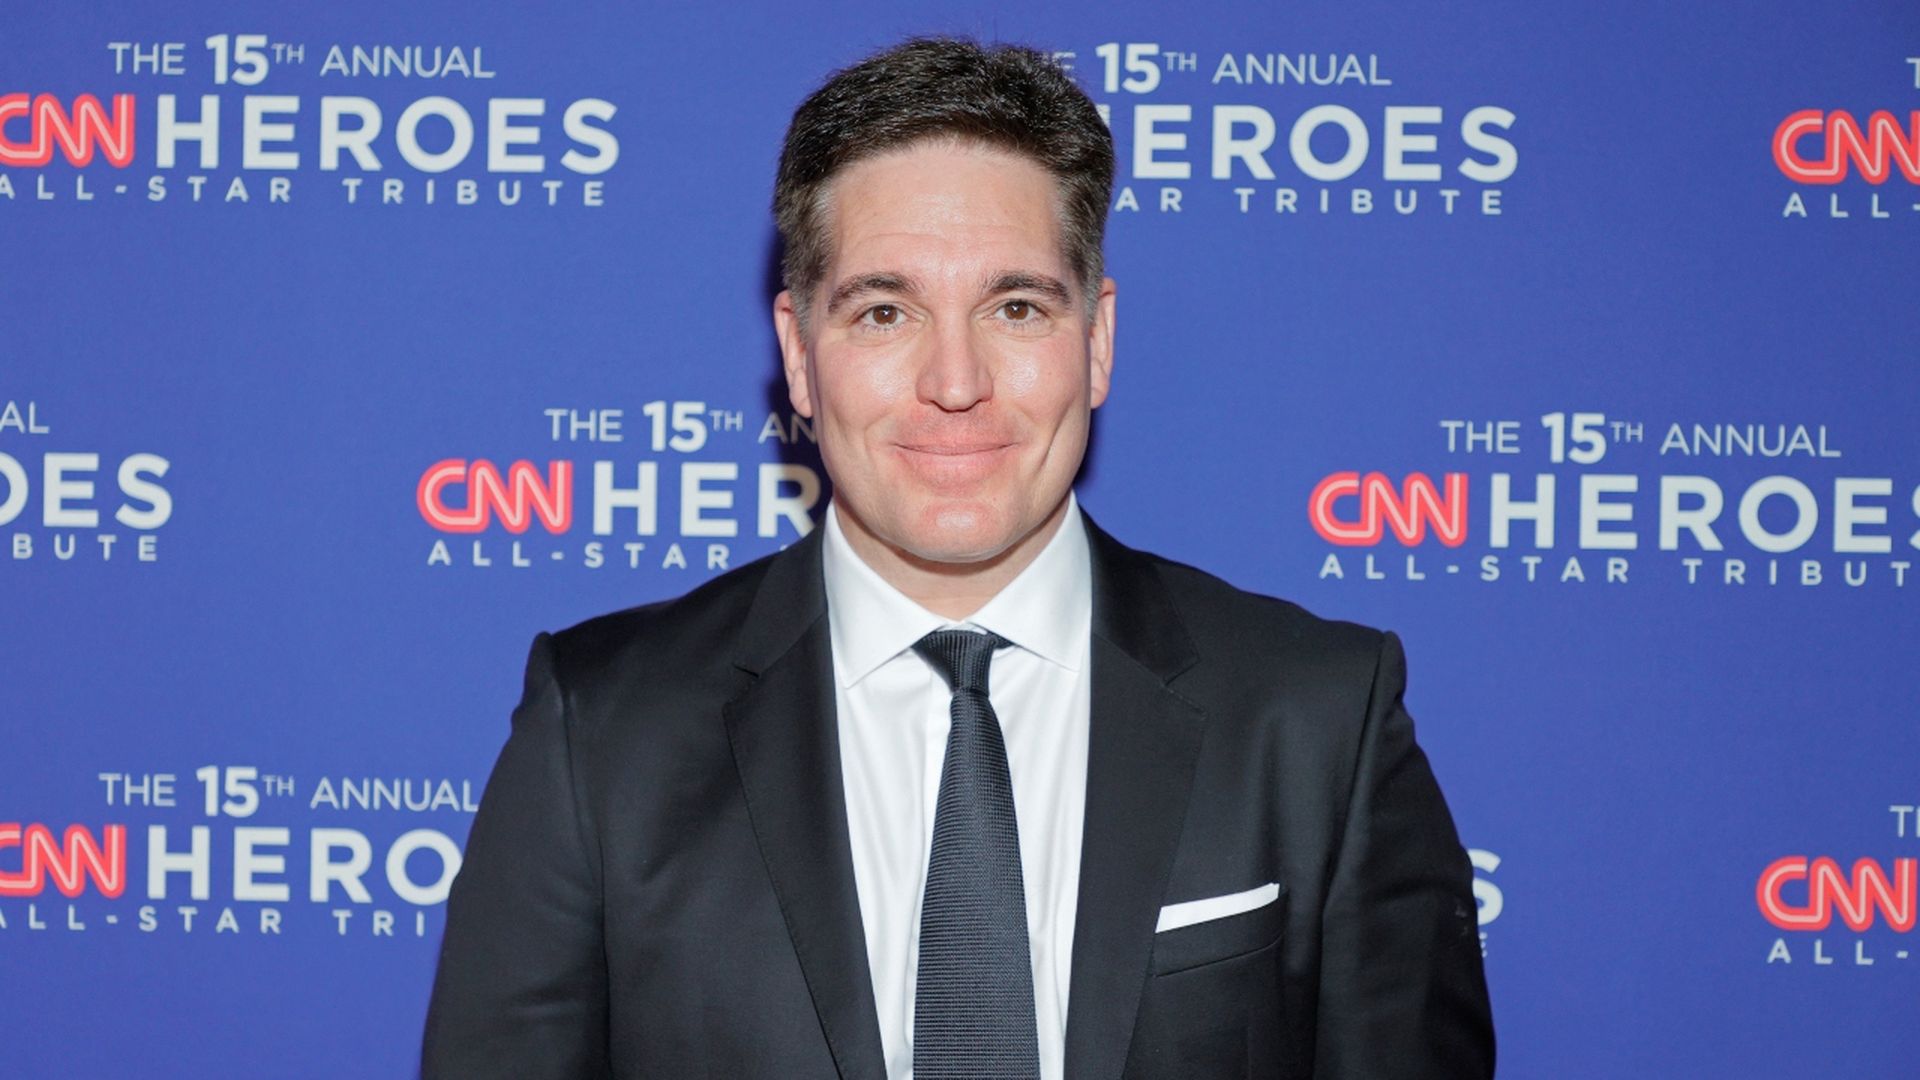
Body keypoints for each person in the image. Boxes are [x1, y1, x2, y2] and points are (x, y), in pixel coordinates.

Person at [422, 36, 1493, 1080]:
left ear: (1098, 338)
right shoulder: (604, 731)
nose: (954, 379)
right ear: (800, 354)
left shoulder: (1317, 720)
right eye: (885, 311)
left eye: (1015, 307)